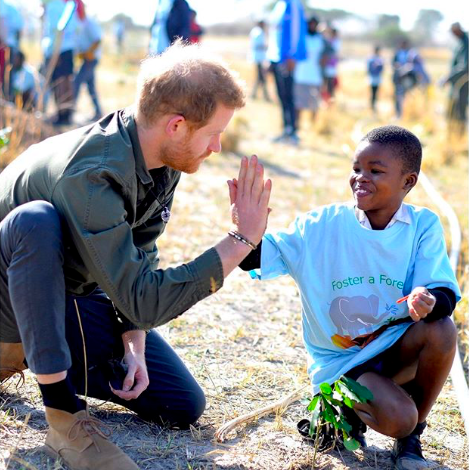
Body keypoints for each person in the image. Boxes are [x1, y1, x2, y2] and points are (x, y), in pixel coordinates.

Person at [0, 41, 271, 470]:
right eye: (213, 134)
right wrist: (240, 239)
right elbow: (144, 298)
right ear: (177, 125)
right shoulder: (93, 172)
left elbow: (141, 254)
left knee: (181, 404)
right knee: (36, 220)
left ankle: (33, 359)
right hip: (12, 296)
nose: (217, 146)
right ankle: (63, 418)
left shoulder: (160, 157)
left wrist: (133, 339)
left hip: (62, 295)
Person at [238, 125, 460, 470]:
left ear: (408, 182)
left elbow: (443, 293)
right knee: (398, 416)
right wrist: (245, 232)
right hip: (345, 363)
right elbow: (255, 258)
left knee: (442, 330)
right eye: (356, 168)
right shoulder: (320, 225)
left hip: (394, 349)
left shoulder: (422, 225)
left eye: (375, 171)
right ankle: (342, 407)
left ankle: (412, 436)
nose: (361, 178)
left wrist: (427, 299)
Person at [266, 0, 307, 144]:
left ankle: (293, 132)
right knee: (281, 96)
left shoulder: (293, 4)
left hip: (287, 59)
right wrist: (270, 58)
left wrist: (292, 55)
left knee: (289, 96)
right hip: (276, 58)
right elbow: (274, 33)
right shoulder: (279, 5)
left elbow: (296, 31)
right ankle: (285, 130)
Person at [41, 0, 79, 126]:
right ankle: (67, 113)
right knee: (67, 80)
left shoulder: (53, 7)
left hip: (58, 50)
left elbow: (56, 31)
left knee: (60, 82)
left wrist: (53, 53)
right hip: (67, 48)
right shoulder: (65, 6)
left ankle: (62, 114)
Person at [74, 6, 103, 121]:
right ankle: (98, 112)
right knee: (90, 86)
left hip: (91, 59)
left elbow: (98, 39)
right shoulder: (80, 24)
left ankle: (70, 109)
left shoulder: (89, 23)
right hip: (86, 59)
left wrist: (89, 52)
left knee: (76, 82)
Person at [294, 16, 324, 125]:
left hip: (315, 77)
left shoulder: (320, 39)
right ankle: (297, 126)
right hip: (301, 75)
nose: (312, 26)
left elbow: (328, 54)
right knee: (299, 104)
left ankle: (313, 126)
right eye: (310, 24)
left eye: (314, 24)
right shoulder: (301, 38)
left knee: (314, 104)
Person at [392, 39, 430, 118]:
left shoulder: (410, 54)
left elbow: (416, 68)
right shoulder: (397, 53)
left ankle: (407, 114)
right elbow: (394, 64)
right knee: (398, 96)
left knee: (408, 96)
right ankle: (399, 114)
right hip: (399, 79)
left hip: (407, 79)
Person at [442, 22, 468, 128]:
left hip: (463, 81)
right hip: (457, 81)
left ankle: (459, 133)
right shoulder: (459, 42)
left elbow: (464, 66)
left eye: (454, 32)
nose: (453, 34)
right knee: (453, 108)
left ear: (458, 30)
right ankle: (454, 131)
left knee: (459, 108)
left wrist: (448, 77)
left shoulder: (466, 43)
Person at [249, 20, 271, 101]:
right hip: (258, 58)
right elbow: (257, 45)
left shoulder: (256, 31)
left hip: (259, 57)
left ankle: (254, 94)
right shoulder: (258, 32)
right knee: (261, 77)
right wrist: (266, 47)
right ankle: (265, 96)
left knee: (260, 77)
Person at [322, 26, 340, 102]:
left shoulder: (335, 42)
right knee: (325, 83)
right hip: (326, 65)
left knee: (330, 84)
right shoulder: (328, 41)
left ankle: (330, 99)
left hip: (331, 66)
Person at [367, 45, 384, 112]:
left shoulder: (380, 59)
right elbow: (369, 68)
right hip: (372, 77)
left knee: (376, 92)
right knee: (372, 92)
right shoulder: (371, 58)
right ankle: (372, 105)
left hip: (377, 77)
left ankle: (374, 105)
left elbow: (382, 68)